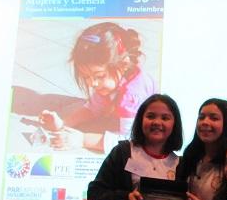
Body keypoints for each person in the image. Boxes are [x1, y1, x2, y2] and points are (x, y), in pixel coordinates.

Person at [40, 22, 157, 153]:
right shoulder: (110, 83)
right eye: (86, 77)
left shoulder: (131, 96)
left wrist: (83, 140)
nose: (92, 84)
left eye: (99, 76)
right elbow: (93, 108)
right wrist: (62, 123)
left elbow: (132, 142)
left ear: (123, 65)